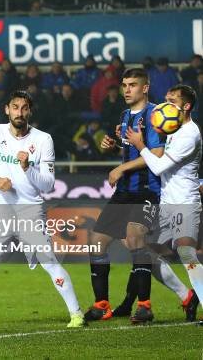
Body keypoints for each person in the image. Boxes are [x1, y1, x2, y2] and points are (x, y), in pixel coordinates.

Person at [0, 90, 85, 328]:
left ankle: (76, 314)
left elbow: (48, 184)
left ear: (30, 111)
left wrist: (27, 167)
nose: (19, 112)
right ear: (7, 109)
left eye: (24, 108)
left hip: (29, 210)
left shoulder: (43, 139)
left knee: (49, 261)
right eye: (15, 107)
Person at [85, 68, 164, 324]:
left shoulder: (155, 116)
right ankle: (101, 304)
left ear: (145, 87)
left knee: (135, 237)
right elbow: (129, 149)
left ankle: (144, 306)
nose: (126, 89)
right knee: (96, 242)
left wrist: (121, 167)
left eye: (132, 85)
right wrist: (115, 147)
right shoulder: (125, 115)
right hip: (124, 192)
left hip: (147, 190)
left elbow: (157, 156)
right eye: (124, 85)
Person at [124, 84, 202, 321]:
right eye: (165, 99)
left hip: (184, 202)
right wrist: (126, 141)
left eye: (172, 101)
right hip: (166, 202)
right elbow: (154, 153)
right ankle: (186, 296)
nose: (165, 105)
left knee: (187, 252)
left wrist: (140, 145)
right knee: (143, 253)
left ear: (186, 106)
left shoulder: (189, 134)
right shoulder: (169, 127)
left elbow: (157, 165)